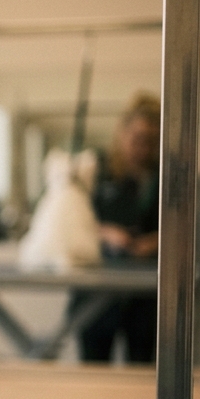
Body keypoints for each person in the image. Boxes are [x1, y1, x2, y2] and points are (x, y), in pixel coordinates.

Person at [76, 93, 161, 362]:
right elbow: (73, 221)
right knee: (94, 375)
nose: (142, 147)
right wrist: (106, 233)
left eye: (150, 141)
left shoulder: (166, 176)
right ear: (122, 132)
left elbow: (184, 229)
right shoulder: (97, 170)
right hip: (97, 292)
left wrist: (157, 241)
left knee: (140, 376)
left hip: (144, 295)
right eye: (137, 138)